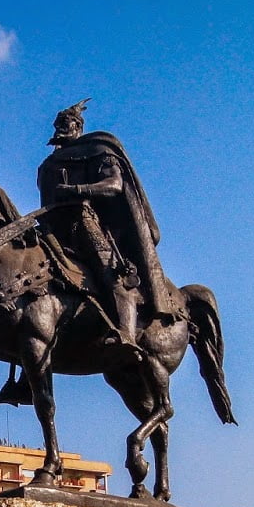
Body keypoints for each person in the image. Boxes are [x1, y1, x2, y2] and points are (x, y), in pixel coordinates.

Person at [37, 99, 175, 354]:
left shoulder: (98, 150)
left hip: (85, 222)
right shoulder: (48, 164)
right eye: (57, 124)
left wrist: (77, 190)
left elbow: (114, 184)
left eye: (65, 123)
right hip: (52, 226)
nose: (59, 128)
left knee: (111, 273)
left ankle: (127, 334)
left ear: (78, 126)